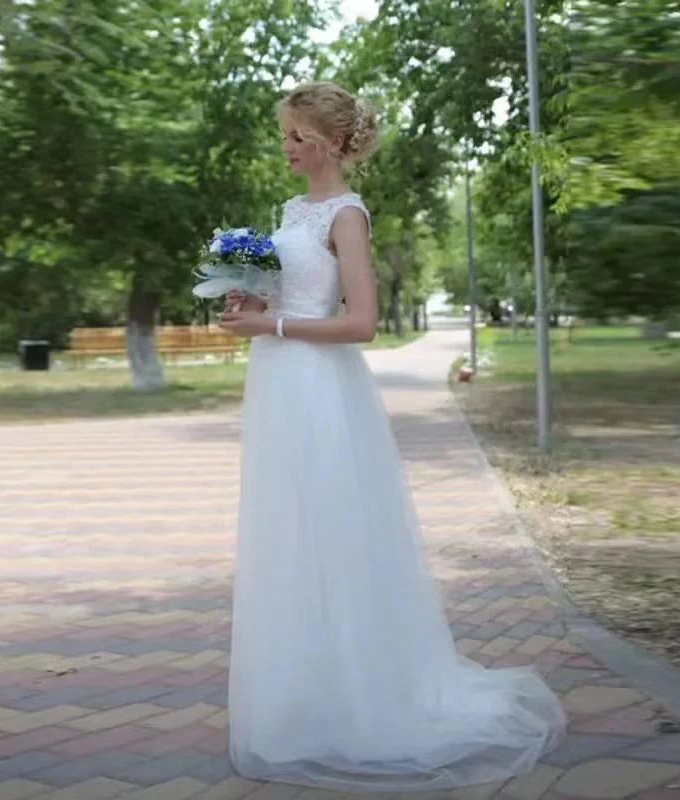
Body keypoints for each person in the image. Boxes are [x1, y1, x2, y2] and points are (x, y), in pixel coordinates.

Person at [219, 81, 564, 793]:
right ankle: (302, 700)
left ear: (333, 143)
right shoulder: (290, 212)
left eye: (297, 138)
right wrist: (248, 299)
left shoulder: (347, 216)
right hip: (277, 384)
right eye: (283, 136)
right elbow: (285, 295)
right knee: (288, 537)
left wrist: (272, 324)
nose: (286, 149)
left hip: (318, 388)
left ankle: (362, 703)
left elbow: (362, 323)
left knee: (333, 535)